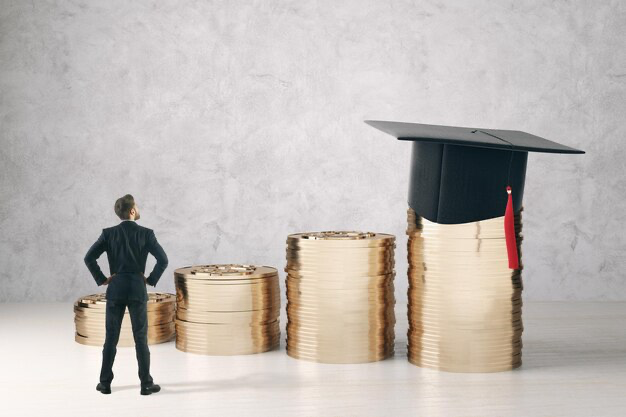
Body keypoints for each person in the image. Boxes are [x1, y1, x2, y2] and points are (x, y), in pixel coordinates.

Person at [83, 194, 169, 395]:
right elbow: (163, 260)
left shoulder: (108, 234)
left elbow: (89, 258)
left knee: (111, 337)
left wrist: (103, 278)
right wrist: (150, 279)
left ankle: (104, 383)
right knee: (141, 338)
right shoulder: (147, 234)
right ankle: (146, 384)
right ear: (132, 211)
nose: (138, 209)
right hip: (137, 288)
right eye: (137, 207)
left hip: (116, 288)